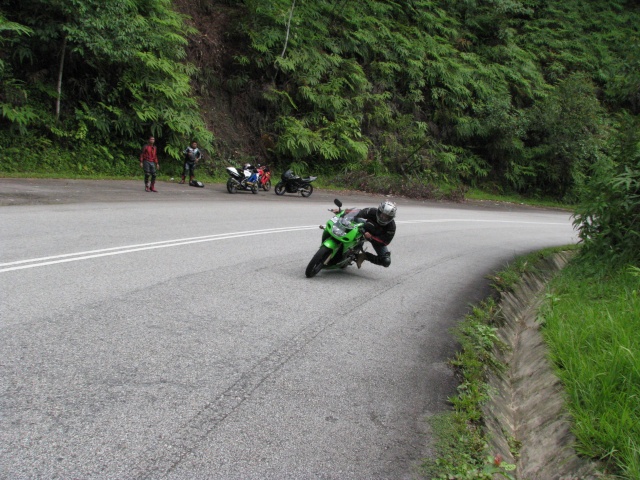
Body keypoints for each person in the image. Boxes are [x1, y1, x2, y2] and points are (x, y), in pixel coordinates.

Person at [354, 200, 397, 268]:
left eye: (387, 217)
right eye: (382, 215)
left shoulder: (391, 227)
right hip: (365, 228)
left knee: (386, 261)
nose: (383, 218)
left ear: (391, 218)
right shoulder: (372, 211)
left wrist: (371, 237)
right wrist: (343, 212)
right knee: (354, 218)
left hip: (376, 239)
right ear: (379, 211)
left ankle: (364, 256)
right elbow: (359, 212)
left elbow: (385, 242)